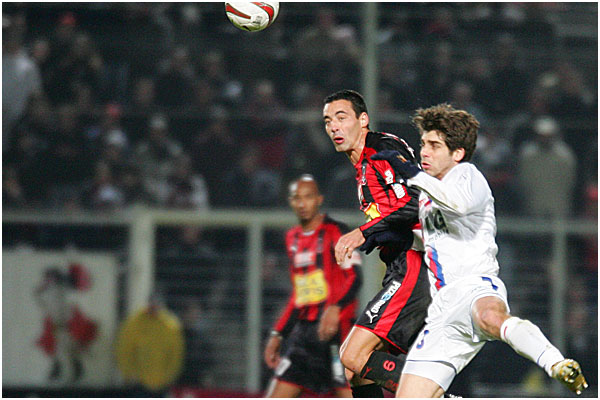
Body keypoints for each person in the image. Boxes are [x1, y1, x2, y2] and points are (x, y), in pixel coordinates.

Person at [371, 103, 588, 397]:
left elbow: (458, 204)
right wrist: (389, 235)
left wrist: (412, 173)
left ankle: (557, 364)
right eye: (423, 144)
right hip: (443, 312)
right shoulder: (429, 195)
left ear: (457, 153)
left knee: (490, 317)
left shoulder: (467, 175)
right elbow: (434, 239)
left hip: (475, 287)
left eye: (434, 145)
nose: (424, 152)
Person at [322, 90, 432, 397]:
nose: (334, 127)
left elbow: (416, 202)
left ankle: (434, 394)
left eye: (341, 117)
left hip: (414, 265)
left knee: (352, 356)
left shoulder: (381, 149)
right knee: (355, 372)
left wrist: (364, 232)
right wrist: (378, 235)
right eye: (328, 121)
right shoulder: (361, 166)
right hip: (400, 267)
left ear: (363, 120)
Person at [264, 174, 361, 397]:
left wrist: (336, 308)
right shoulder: (292, 238)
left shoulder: (336, 231)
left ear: (319, 199)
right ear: (291, 202)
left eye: (308, 197)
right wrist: (278, 333)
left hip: (336, 333)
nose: (302, 204)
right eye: (297, 198)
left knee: (347, 391)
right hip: (304, 336)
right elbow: (299, 296)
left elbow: (355, 277)